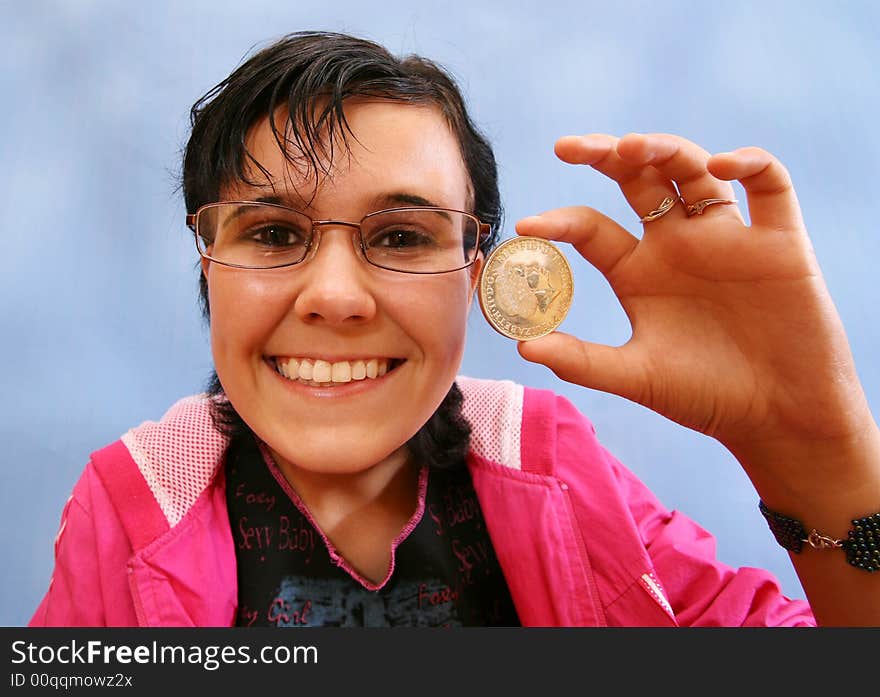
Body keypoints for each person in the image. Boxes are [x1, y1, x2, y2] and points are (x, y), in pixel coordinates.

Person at [29, 30, 879, 628]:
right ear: (207, 258)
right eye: (275, 233)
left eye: (401, 237)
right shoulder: (131, 504)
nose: (335, 296)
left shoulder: (555, 468)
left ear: (478, 276)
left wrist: (812, 447)